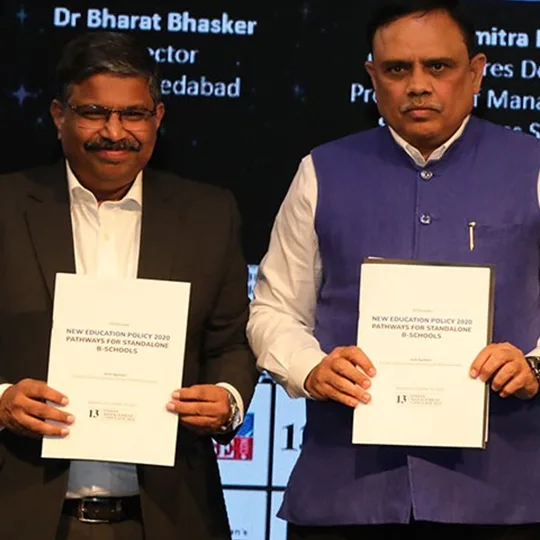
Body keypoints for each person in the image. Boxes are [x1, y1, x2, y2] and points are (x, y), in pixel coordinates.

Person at [248, 0, 540, 539]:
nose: (418, 85)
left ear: (476, 72)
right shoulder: (321, 170)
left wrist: (534, 364)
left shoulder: (533, 166)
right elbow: (274, 308)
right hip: (346, 495)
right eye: (397, 69)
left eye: (438, 66)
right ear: (372, 77)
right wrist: (310, 367)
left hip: (504, 499)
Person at [0, 31, 258, 540]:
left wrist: (227, 398)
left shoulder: (210, 215)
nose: (114, 131)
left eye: (133, 114)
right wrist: (2, 400)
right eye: (94, 112)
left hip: (169, 517)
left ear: (157, 117)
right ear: (58, 115)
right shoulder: (6, 208)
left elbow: (231, 341)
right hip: (21, 513)